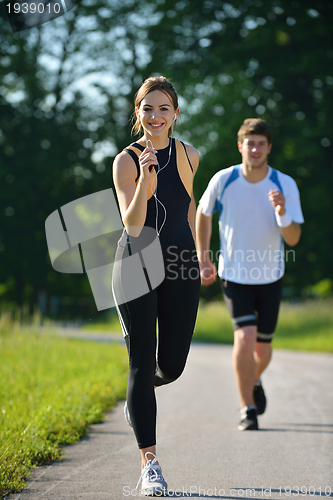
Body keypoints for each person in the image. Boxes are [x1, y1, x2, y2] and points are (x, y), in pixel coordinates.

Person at [112, 76, 200, 495]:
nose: (156, 116)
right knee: (141, 362)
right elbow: (132, 223)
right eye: (148, 108)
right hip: (136, 262)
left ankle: (137, 395)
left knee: (174, 364)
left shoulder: (189, 155)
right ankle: (150, 466)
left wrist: (202, 253)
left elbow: (190, 205)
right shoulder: (126, 161)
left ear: (176, 113)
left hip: (181, 263)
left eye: (164, 108)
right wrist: (145, 184)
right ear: (138, 114)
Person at [196, 118, 304, 431]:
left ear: (269, 148)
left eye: (261, 143)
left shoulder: (284, 184)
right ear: (240, 145)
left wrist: (282, 212)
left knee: (263, 350)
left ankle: (254, 378)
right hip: (234, 275)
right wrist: (204, 258)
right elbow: (203, 214)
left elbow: (294, 238)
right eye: (250, 142)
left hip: (270, 277)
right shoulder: (224, 179)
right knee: (244, 338)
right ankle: (248, 408)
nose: (255, 149)